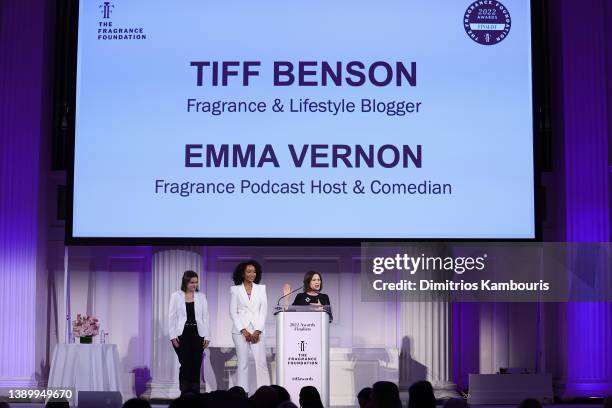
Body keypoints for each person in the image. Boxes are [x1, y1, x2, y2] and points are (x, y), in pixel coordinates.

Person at [230, 260, 271, 393]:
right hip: (240, 331)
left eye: (254, 271)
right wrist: (243, 330)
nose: (252, 274)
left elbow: (263, 310)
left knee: (262, 364)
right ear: (243, 274)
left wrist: (257, 331)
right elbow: (233, 312)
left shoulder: (261, 288)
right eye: (249, 271)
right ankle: (243, 394)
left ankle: (265, 393)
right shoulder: (235, 290)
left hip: (258, 330)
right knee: (243, 364)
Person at [169, 270, 210, 393]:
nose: (194, 285)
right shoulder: (176, 296)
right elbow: (172, 317)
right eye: (192, 282)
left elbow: (206, 317)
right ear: (186, 282)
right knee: (185, 364)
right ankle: (185, 393)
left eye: (196, 282)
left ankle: (195, 394)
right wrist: (173, 336)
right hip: (182, 334)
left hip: (198, 334)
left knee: (196, 365)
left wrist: (207, 336)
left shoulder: (201, 297)